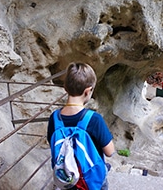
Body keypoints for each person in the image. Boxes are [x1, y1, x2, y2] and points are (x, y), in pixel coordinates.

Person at [47, 62, 115, 190]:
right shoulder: (94, 119)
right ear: (88, 91)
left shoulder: (54, 119)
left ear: (65, 88)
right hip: (91, 184)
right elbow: (110, 152)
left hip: (66, 181)